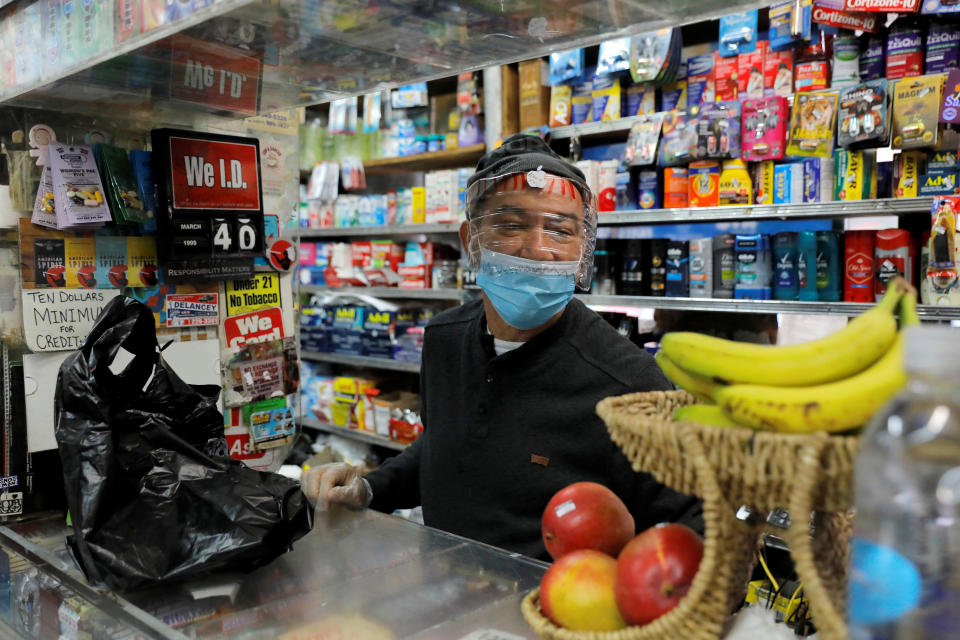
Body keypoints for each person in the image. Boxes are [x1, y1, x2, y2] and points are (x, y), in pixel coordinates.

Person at [302, 134, 701, 560]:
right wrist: (367, 488)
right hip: (449, 600)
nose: (537, 249)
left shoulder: (629, 383)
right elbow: (445, 448)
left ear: (584, 248)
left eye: (561, 230)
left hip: (555, 615)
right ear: (468, 239)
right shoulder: (444, 339)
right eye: (511, 225)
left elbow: (696, 534)